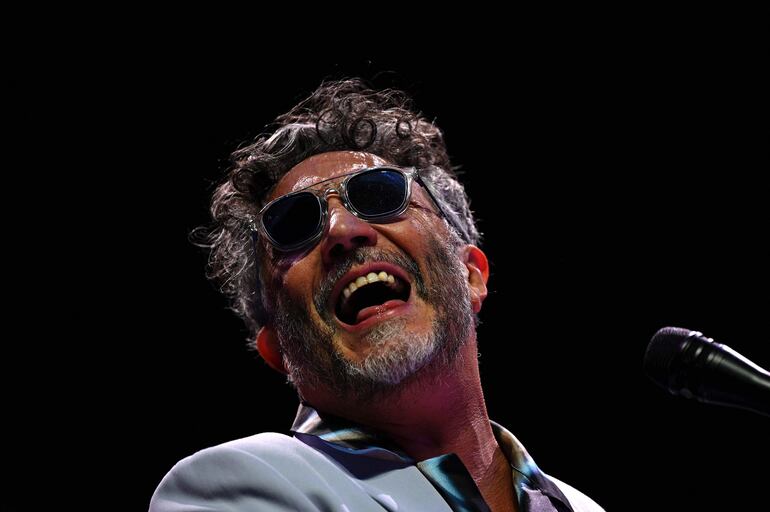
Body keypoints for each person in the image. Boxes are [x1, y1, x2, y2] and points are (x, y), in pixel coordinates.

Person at [150, 79, 604, 512]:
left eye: (379, 194)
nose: (342, 230)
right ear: (277, 349)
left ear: (471, 275)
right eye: (293, 228)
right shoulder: (229, 487)